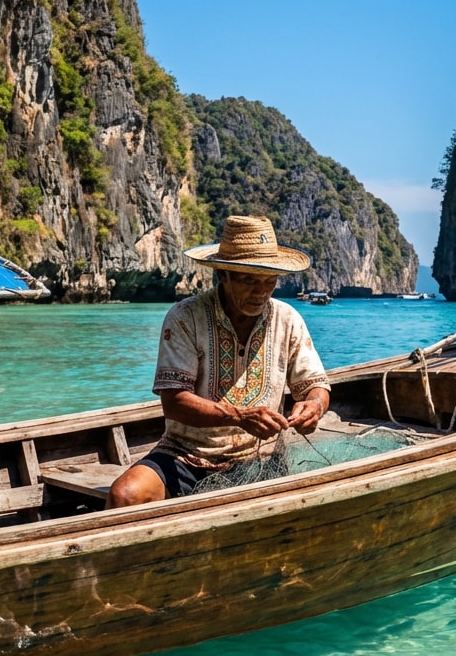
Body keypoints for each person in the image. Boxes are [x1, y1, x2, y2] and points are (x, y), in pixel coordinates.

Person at [106, 215, 331, 507]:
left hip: (261, 458)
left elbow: (316, 385)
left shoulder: (288, 319)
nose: (261, 292)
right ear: (223, 275)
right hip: (185, 455)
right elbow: (174, 402)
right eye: (249, 280)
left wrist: (314, 406)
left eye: (269, 281)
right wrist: (239, 416)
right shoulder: (186, 317)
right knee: (124, 495)